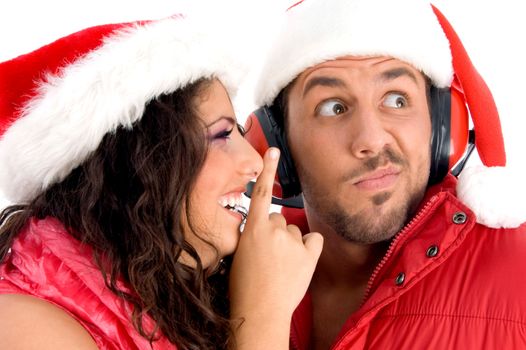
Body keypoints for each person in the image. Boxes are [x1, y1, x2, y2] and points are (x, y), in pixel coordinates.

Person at [0, 14, 323, 350]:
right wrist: (263, 315)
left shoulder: (176, 301)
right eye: (222, 134)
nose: (254, 162)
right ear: (139, 164)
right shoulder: (23, 327)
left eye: (239, 132)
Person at [245, 0, 526, 348]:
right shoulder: (220, 285)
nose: (371, 140)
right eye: (333, 107)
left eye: (396, 100)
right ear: (277, 143)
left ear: (443, 127)